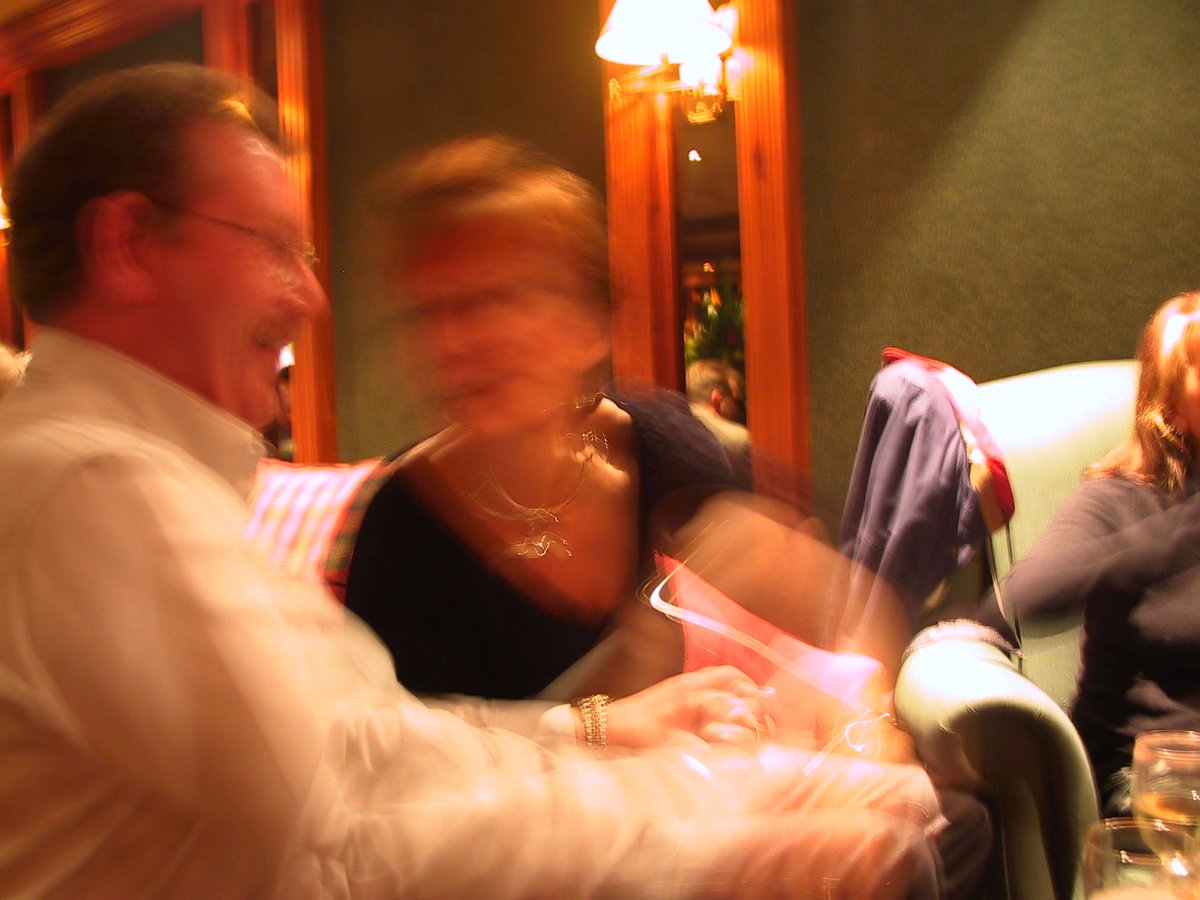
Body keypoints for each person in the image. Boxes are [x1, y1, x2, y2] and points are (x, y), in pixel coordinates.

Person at [0, 62, 949, 897]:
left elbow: (367, 743)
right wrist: (736, 815)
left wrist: (600, 736)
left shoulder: (142, 482)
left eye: (499, 300)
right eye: (273, 245)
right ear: (127, 243)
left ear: (589, 322)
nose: (312, 296)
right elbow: (347, 843)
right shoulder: (89, 488)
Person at [343, 135, 751, 701]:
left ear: (592, 324)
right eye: (426, 311)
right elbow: (401, 746)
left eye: (494, 299)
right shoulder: (400, 528)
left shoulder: (672, 449)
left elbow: (795, 644)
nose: (450, 341)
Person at [980, 289, 1200, 815]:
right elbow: (1020, 598)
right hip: (1145, 775)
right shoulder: (1118, 499)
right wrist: (1170, 540)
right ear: (1170, 406)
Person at [686, 357, 751, 463]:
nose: (740, 408)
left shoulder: (672, 426)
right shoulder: (739, 439)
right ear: (717, 398)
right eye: (736, 399)